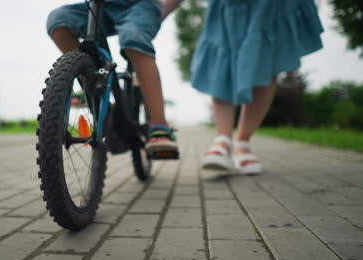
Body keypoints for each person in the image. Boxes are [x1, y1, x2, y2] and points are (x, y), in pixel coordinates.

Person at [162, 0, 323, 174]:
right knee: (221, 63)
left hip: (268, 6)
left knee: (266, 63)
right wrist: (160, 11)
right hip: (226, 7)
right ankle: (223, 139)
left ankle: (243, 143)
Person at [46, 0, 178, 157]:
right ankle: (97, 93)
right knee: (58, 21)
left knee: (133, 37)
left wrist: (162, 8)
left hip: (140, 4)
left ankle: (159, 125)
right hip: (100, 5)